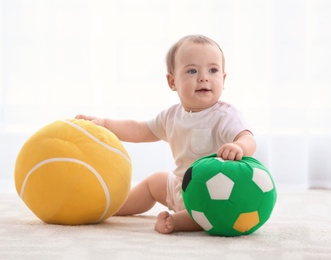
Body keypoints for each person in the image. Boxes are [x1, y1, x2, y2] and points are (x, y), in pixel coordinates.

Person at [76, 34, 256, 234]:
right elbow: (140, 130)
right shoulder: (171, 116)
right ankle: (113, 207)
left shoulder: (224, 116)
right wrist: (104, 124)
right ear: (172, 82)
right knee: (155, 181)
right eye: (192, 70)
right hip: (180, 185)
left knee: (210, 211)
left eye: (213, 70)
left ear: (223, 79)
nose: (204, 77)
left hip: (215, 192)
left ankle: (177, 222)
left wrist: (238, 146)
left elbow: (247, 138)